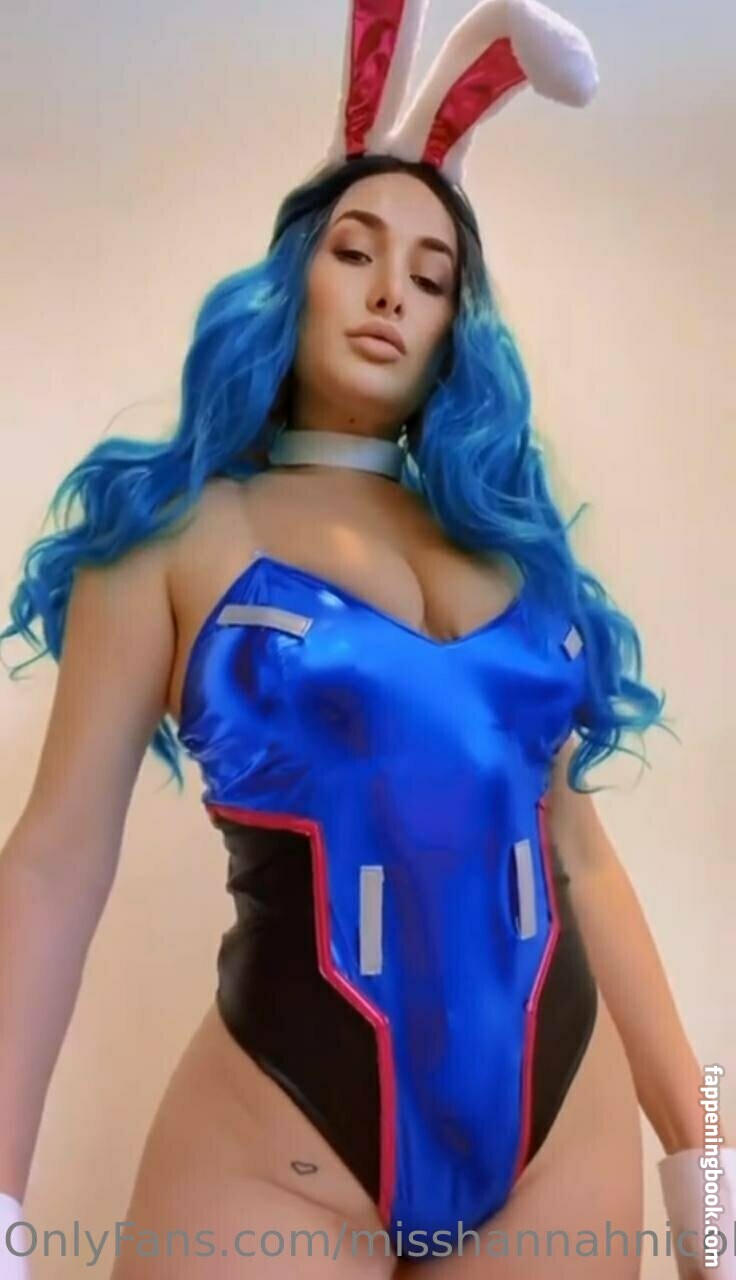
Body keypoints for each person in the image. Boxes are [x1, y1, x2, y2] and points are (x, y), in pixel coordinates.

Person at [1, 2, 733, 1277]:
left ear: (456, 323)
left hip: (559, 1133)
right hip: (278, 1134)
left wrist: (706, 1160)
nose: (393, 288)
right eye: (355, 249)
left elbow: (580, 855)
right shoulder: (170, 536)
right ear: (290, 276)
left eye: (433, 274)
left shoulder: (514, 555)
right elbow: (57, 864)